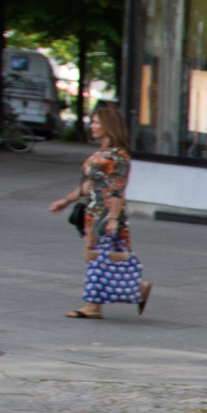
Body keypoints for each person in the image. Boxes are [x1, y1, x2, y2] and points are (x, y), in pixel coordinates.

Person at [49, 103, 148, 318]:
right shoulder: (104, 152)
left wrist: (113, 218)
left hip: (106, 213)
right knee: (97, 255)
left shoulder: (118, 156)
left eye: (96, 122)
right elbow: (90, 185)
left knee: (95, 256)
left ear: (108, 126)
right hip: (93, 212)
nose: (91, 126)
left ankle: (95, 305)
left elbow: (117, 189)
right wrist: (65, 200)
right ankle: (136, 287)